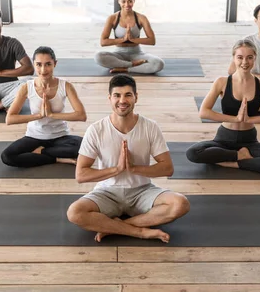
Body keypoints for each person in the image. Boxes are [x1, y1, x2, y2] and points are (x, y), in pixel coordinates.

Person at [67, 74, 189, 243]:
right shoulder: (96, 130)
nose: (122, 100)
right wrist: (116, 170)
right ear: (110, 98)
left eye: (128, 95)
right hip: (107, 192)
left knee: (180, 203)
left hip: (142, 191)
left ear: (136, 97)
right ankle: (139, 232)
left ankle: (114, 228)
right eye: (117, 95)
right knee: (74, 212)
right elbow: (81, 175)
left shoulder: (150, 127)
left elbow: (167, 168)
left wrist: (134, 168)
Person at [188, 39, 260, 176]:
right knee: (193, 153)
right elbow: (204, 112)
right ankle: (238, 155)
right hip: (223, 138)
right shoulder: (222, 82)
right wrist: (236, 119)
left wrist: (249, 120)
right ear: (233, 58)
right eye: (240, 57)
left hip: (249, 140)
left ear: (255, 58)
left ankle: (233, 162)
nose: (245, 62)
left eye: (249, 58)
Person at [1, 46, 87, 168]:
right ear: (34, 65)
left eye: (48, 64)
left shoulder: (65, 86)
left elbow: (81, 115)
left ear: (55, 64)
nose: (43, 69)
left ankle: (41, 152)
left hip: (60, 136)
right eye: (39, 65)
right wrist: (39, 116)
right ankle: (57, 158)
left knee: (84, 146)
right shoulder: (27, 87)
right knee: (7, 156)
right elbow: (10, 119)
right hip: (34, 136)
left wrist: (52, 115)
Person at [95, 0, 164, 74]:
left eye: (130, 1)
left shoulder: (141, 18)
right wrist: (123, 39)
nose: (127, 5)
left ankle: (124, 68)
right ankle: (131, 64)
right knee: (98, 57)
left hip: (137, 54)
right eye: (123, 1)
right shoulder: (112, 18)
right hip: (118, 54)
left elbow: (152, 40)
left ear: (134, 0)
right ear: (119, 1)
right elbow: (103, 42)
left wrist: (133, 39)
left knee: (158, 63)